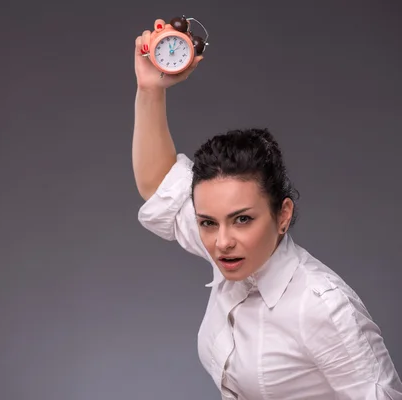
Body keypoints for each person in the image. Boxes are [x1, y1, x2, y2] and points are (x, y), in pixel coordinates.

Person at [132, 18, 402, 399]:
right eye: (207, 222)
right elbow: (159, 185)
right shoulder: (234, 254)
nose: (221, 241)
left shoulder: (324, 309)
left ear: (283, 215)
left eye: (242, 219)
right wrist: (149, 88)